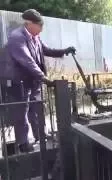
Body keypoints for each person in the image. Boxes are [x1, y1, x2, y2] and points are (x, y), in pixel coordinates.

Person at [4, 9, 76, 152]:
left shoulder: (35, 37)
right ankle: (23, 144)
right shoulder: (17, 37)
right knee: (22, 111)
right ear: (29, 24)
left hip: (32, 80)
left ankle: (40, 136)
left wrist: (64, 51)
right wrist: (44, 78)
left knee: (37, 110)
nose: (42, 29)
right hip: (19, 82)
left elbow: (46, 50)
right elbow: (27, 61)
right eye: (40, 26)